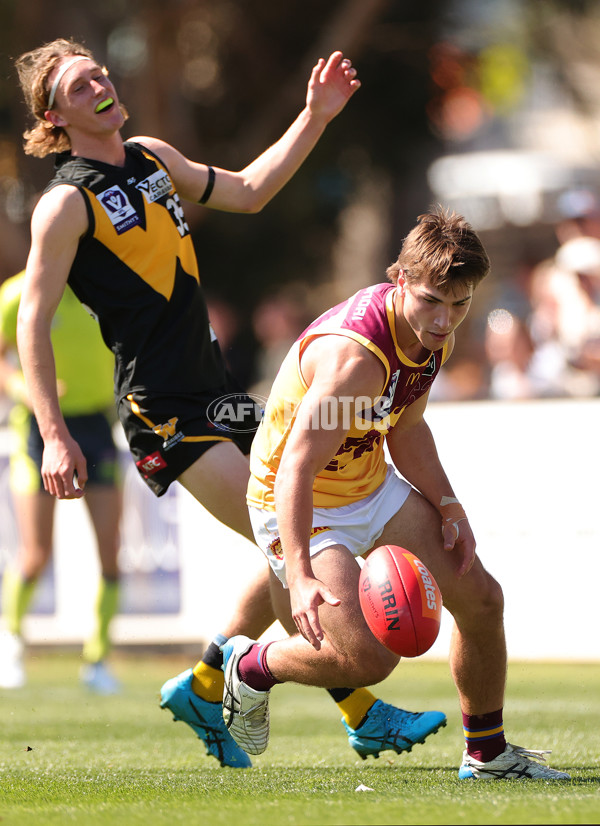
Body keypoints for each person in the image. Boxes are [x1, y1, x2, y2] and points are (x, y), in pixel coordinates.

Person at [14, 38, 445, 769]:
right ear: (55, 115)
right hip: (163, 411)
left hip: (218, 395)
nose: (102, 85)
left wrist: (314, 116)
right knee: (286, 538)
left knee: (285, 538)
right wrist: (53, 433)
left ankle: (210, 680)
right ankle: (356, 711)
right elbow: (32, 320)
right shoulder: (64, 203)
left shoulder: (151, 156)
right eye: (82, 86)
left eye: (101, 73)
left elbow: (247, 189)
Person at [220, 208, 571, 781]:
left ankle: (487, 756)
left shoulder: (435, 339)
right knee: (367, 659)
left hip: (369, 486)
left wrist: (451, 507)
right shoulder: (355, 359)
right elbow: (295, 469)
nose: (445, 319)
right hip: (301, 500)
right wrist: (301, 572)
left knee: (482, 599)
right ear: (400, 280)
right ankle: (251, 666)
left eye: (459, 304)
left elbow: (407, 430)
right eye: (433, 300)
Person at [0, 270, 121, 694]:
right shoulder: (16, 293)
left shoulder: (103, 287)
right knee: (35, 552)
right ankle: (10, 642)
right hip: (39, 429)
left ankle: (98, 660)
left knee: (110, 552)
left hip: (95, 424)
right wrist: (21, 388)